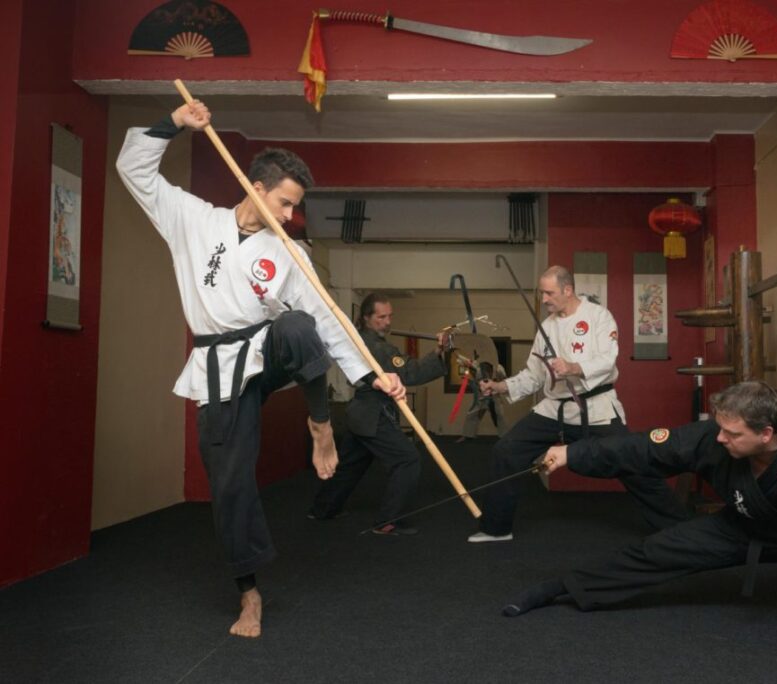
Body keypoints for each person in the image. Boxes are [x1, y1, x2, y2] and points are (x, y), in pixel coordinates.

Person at [116, 101, 405, 638]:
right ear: (255, 186)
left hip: (266, 353)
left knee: (297, 324)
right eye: (285, 203)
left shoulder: (290, 253)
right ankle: (248, 595)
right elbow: (133, 169)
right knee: (228, 484)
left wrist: (373, 377)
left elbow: (331, 319)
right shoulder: (194, 219)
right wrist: (174, 123)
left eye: (296, 208)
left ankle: (319, 425)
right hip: (216, 368)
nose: (292, 216)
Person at [502, 381, 777, 637]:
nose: (720, 440)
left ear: (767, 433)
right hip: (738, 528)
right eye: (721, 429)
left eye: (733, 433)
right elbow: (642, 448)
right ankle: (562, 588)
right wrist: (573, 454)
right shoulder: (713, 438)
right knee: (653, 552)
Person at [467, 265, 686, 543]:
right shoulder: (546, 327)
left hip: (595, 408)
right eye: (541, 293)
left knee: (632, 462)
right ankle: (496, 528)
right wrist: (501, 386)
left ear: (567, 290)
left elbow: (607, 361)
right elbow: (534, 374)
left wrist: (573, 367)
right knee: (506, 451)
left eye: (549, 293)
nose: (544, 298)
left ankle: (678, 527)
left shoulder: (598, 317)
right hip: (554, 407)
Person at [308, 292, 450, 534]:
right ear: (366, 318)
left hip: (358, 414)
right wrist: (438, 352)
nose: (387, 322)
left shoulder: (360, 340)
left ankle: (323, 509)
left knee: (351, 465)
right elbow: (410, 373)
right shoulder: (378, 348)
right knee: (407, 460)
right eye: (381, 317)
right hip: (373, 414)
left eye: (389, 316)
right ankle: (387, 521)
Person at [457, 360, 508, 441]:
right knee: (472, 414)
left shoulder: (499, 368)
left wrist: (496, 387)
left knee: (499, 415)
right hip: (481, 397)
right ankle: (467, 435)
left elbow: (505, 380)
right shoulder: (478, 368)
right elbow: (475, 381)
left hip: (495, 396)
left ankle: (504, 436)